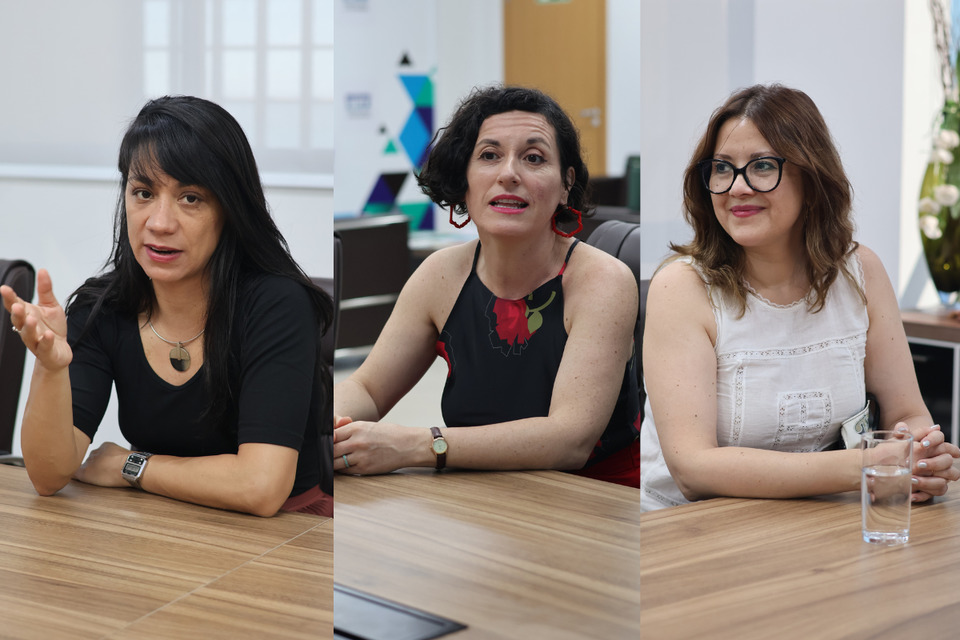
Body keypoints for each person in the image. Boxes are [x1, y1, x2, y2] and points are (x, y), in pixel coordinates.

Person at [0, 96, 333, 517]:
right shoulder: (102, 306)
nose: (159, 222)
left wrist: (130, 465)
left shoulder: (278, 304)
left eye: (190, 198)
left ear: (230, 210)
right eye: (143, 192)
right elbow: (48, 476)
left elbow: (261, 487)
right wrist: (50, 369)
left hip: (285, 538)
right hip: (159, 525)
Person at [639, 84, 960, 511]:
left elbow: (909, 411)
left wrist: (919, 456)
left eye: (762, 166)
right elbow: (694, 469)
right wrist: (865, 468)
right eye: (722, 168)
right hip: (693, 531)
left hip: (820, 522)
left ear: (811, 176)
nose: (737, 188)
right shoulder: (681, 287)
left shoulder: (861, 272)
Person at [333, 86, 642, 486]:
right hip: (477, 497)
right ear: (464, 179)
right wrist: (330, 427)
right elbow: (368, 389)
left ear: (566, 184)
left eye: (533, 158)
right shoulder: (439, 274)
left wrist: (416, 446)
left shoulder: (604, 281)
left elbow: (569, 439)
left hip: (594, 504)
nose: (508, 173)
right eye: (489, 155)